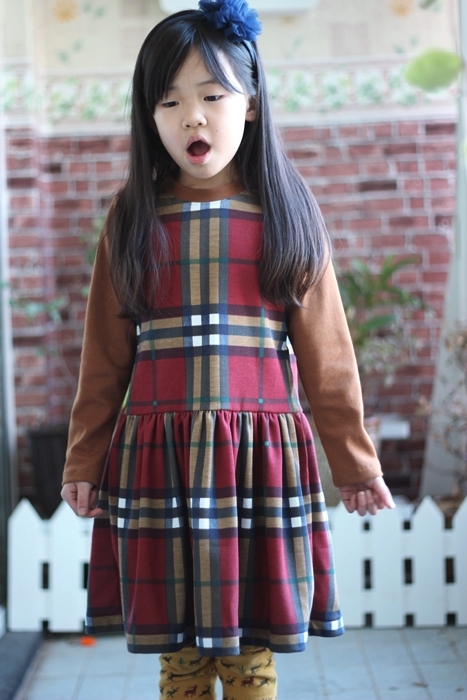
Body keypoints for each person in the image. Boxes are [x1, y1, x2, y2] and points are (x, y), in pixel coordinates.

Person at [61, 1, 395, 698]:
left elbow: (329, 360)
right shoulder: (132, 218)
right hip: (160, 462)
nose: (192, 117)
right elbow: (104, 360)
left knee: (249, 651)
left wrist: (355, 463)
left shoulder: (287, 212)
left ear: (250, 103)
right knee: (180, 653)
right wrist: (84, 459)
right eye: (169, 101)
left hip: (257, 464)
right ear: (148, 117)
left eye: (212, 96)